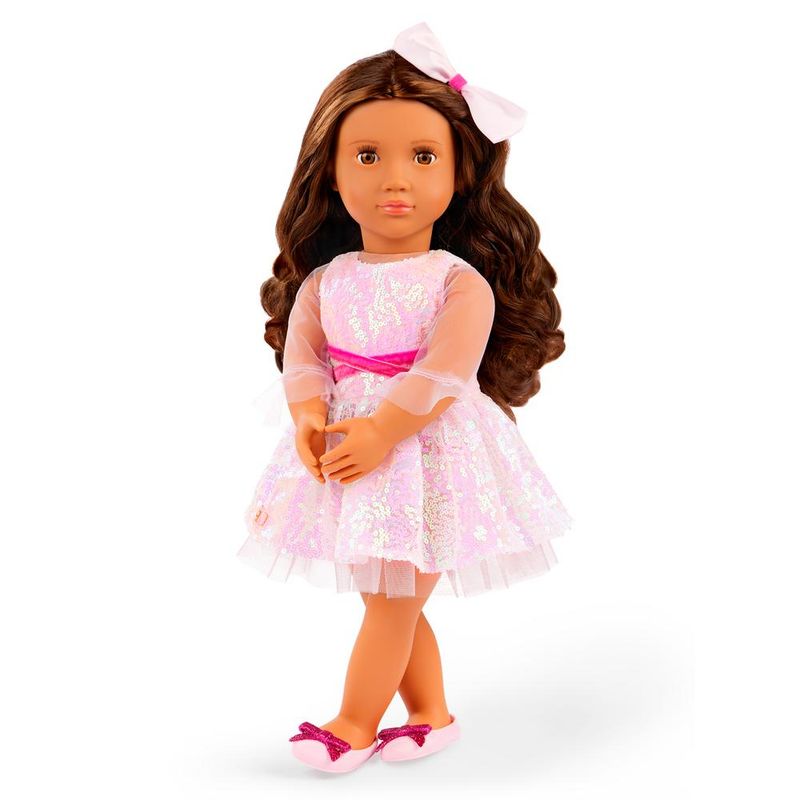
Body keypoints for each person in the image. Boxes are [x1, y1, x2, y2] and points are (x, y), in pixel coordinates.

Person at [237, 22, 574, 772]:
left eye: (423, 157)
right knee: (386, 593)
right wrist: (309, 417)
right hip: (351, 456)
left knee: (394, 599)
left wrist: (385, 429)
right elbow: (304, 359)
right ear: (330, 173)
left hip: (429, 455)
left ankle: (355, 722)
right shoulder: (325, 281)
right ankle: (431, 715)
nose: (396, 180)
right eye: (368, 156)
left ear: (458, 175)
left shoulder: (459, 282)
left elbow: (443, 374)